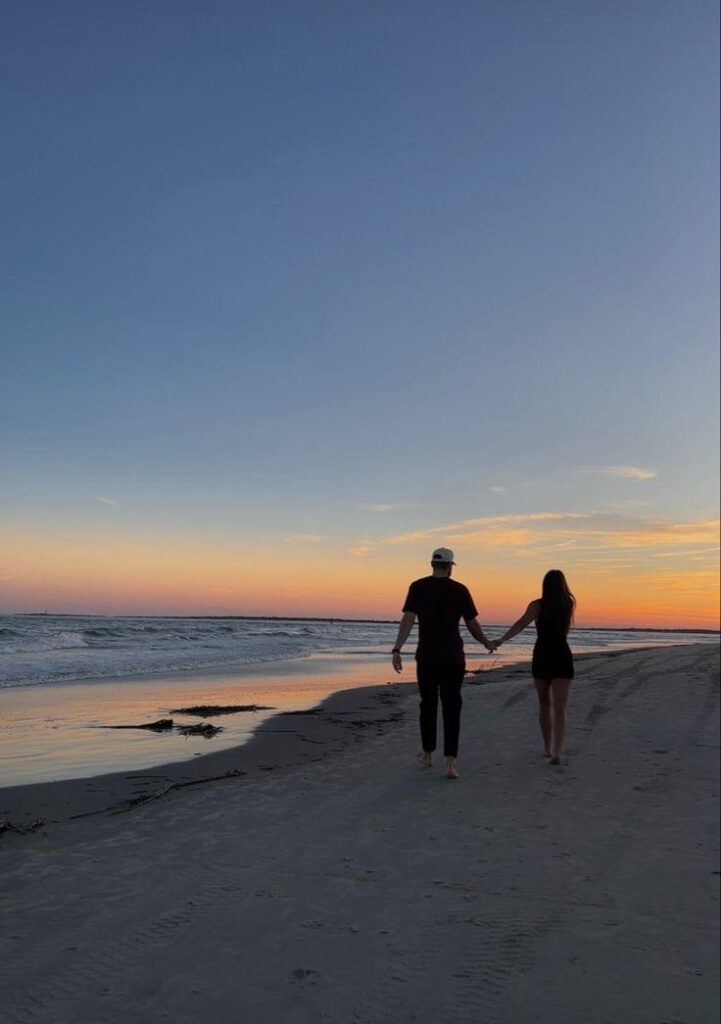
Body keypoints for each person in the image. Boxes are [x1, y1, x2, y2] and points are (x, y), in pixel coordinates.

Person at [391, 547, 496, 779]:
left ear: (432, 565)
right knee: (451, 707)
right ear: (450, 567)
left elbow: (407, 620)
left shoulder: (417, 587)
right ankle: (450, 763)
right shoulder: (460, 590)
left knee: (427, 705)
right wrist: (487, 643)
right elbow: (472, 625)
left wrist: (397, 649)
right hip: (453, 658)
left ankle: (428, 755)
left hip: (427, 657)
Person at [495, 569, 576, 765]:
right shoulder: (568, 603)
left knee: (544, 704)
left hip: (543, 655)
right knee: (560, 707)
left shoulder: (537, 605)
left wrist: (503, 638)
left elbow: (522, 623)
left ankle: (547, 748)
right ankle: (557, 751)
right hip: (562, 654)